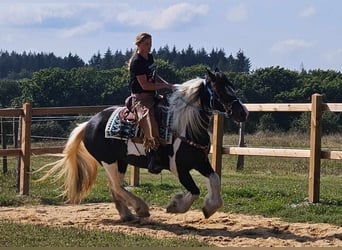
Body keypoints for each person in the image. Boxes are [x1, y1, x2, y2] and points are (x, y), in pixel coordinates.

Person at [128, 32, 174, 174]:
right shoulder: (137, 62)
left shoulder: (150, 58)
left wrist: (167, 84)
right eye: (146, 44)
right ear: (139, 44)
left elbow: (154, 76)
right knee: (150, 119)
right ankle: (153, 153)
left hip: (152, 96)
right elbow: (145, 85)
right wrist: (164, 87)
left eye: (150, 43)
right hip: (140, 98)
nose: (149, 47)